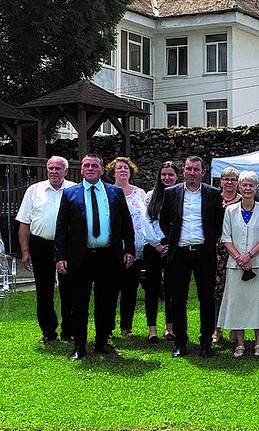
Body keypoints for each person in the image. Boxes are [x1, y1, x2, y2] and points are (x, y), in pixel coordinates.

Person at [54, 154, 135, 360]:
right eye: (86, 165)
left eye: (94, 165)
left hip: (109, 256)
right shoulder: (70, 194)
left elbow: (126, 224)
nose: (90, 168)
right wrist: (60, 256)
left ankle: (101, 343)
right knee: (78, 304)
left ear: (101, 170)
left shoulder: (115, 193)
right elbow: (61, 228)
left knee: (106, 303)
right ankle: (79, 346)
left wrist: (129, 250)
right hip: (80, 258)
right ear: (81, 170)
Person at [159, 156, 224, 358]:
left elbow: (219, 223)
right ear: (184, 171)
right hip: (179, 252)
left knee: (206, 298)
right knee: (178, 299)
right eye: (189, 169)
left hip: (204, 252)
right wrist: (173, 237)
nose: (192, 173)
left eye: (196, 169)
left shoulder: (213, 194)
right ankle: (180, 342)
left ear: (203, 172)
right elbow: (164, 221)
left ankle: (206, 342)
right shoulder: (171, 193)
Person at [218, 170, 259, 357]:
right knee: (239, 304)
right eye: (244, 185)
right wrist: (239, 258)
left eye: (251, 185)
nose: (247, 188)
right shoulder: (230, 211)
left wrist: (249, 255)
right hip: (235, 266)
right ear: (239, 187)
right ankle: (240, 343)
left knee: (257, 303)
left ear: (255, 187)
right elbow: (226, 238)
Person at [16, 156, 76, 343]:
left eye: (58, 168)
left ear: (65, 171)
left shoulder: (75, 190)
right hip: (40, 244)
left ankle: (69, 330)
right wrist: (25, 251)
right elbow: (24, 223)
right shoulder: (34, 190)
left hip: (67, 245)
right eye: (51, 168)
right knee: (44, 290)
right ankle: (49, 332)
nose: (54, 172)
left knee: (69, 289)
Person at [106, 157, 148, 337]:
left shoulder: (140, 193)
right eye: (118, 168)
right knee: (110, 291)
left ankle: (126, 327)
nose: (123, 170)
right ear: (112, 172)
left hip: (136, 249)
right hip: (112, 250)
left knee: (130, 291)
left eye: (126, 168)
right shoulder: (107, 193)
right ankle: (107, 327)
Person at [142, 161, 178, 343]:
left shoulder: (181, 196)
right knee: (152, 288)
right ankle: (152, 330)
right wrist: (156, 244)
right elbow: (145, 221)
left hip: (174, 247)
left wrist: (171, 244)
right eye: (164, 174)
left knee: (171, 288)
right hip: (153, 247)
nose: (167, 178)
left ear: (177, 176)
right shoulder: (151, 196)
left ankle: (169, 328)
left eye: (170, 174)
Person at [213, 166, 242, 344]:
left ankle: (234, 327)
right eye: (226, 179)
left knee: (234, 291)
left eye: (233, 179)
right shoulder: (212, 198)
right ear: (220, 181)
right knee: (216, 292)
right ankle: (216, 328)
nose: (229, 182)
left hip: (235, 251)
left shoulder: (243, 200)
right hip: (216, 251)